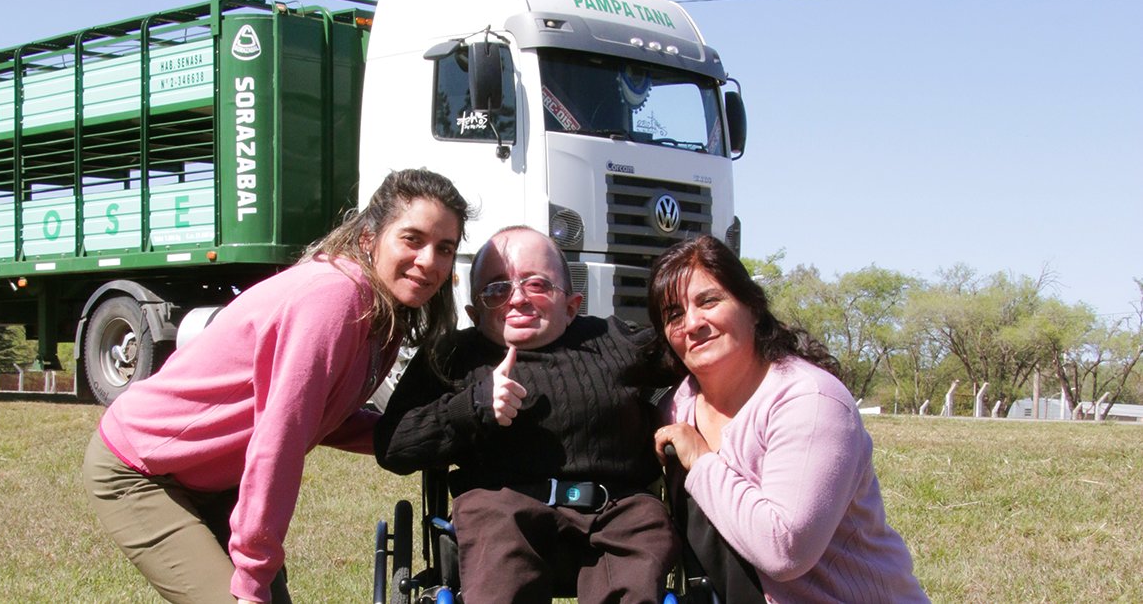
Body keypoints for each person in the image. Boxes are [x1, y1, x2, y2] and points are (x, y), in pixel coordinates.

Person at [82, 169, 472, 604]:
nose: (429, 261)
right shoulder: (335, 299)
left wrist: (427, 435)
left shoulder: (384, 317)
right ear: (368, 238)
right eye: (412, 239)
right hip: (142, 466)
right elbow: (280, 439)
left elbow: (325, 418)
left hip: (213, 474)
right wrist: (253, 578)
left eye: (444, 249)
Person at [374, 226, 679, 604]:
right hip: (502, 510)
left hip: (618, 510)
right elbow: (393, 445)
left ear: (571, 306)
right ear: (474, 312)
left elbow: (695, 352)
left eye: (538, 285)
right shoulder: (452, 356)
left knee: (643, 552)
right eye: (496, 289)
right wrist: (473, 407)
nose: (517, 299)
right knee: (498, 547)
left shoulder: (612, 340)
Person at [647, 235, 930, 604]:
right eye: (674, 315)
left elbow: (785, 550)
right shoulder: (677, 405)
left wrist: (701, 461)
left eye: (709, 300)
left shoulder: (809, 401)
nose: (692, 323)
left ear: (751, 305)